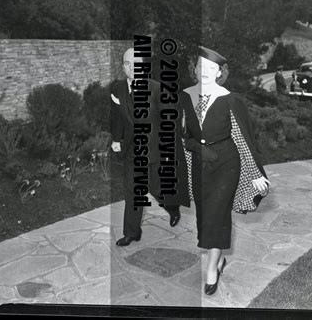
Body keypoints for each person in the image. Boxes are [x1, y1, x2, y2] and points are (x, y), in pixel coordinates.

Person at [180, 46, 270, 295]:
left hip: (226, 166)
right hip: (200, 164)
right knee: (203, 216)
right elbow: (183, 136)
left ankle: (212, 270)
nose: (205, 72)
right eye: (200, 66)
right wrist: (199, 149)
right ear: (194, 69)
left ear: (220, 72)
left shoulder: (230, 99)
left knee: (217, 216)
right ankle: (218, 258)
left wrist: (255, 175)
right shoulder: (186, 97)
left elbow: (243, 140)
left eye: (211, 68)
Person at [110, 48, 190, 246]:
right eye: (127, 64)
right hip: (131, 151)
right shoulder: (117, 89)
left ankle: (172, 207)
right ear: (123, 67)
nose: (132, 67)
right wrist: (116, 139)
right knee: (132, 192)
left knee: (157, 188)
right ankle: (132, 232)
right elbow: (118, 117)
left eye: (136, 63)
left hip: (154, 151)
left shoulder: (156, 89)